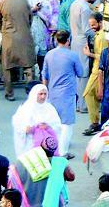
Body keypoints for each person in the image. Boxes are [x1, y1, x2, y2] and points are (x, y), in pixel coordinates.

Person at [42, 30, 85, 158]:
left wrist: (45, 91)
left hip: (52, 92)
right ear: (68, 41)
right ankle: (63, 151)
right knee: (67, 124)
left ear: (56, 40)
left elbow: (44, 74)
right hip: (67, 93)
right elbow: (81, 73)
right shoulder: (73, 56)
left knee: (54, 122)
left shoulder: (49, 55)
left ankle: (53, 147)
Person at [0, 0, 37, 101]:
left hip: (9, 39)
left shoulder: (1, 2)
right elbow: (30, 18)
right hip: (25, 37)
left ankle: (10, 93)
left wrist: (5, 31)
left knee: (7, 66)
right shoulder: (24, 0)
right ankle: (30, 92)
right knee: (28, 66)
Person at [9, 135, 74, 207]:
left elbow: (11, 184)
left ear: (40, 147)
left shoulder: (23, 160)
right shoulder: (59, 163)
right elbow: (71, 177)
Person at [11, 84, 62, 158]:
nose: (43, 96)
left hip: (46, 144)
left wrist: (48, 126)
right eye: (40, 94)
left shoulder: (50, 108)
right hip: (30, 143)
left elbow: (57, 125)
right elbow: (17, 123)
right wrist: (27, 129)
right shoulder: (25, 108)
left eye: (45, 94)